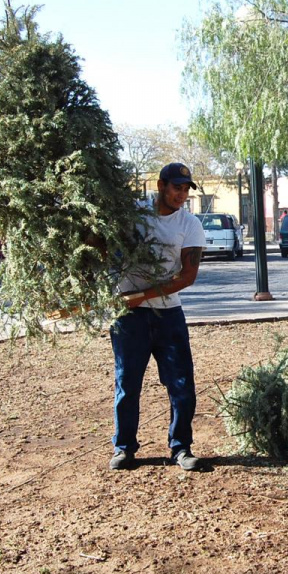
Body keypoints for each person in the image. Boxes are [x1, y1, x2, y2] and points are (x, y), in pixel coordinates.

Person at [109, 162, 207, 471]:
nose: (181, 194)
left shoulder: (189, 224)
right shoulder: (132, 214)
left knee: (181, 383)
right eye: (176, 187)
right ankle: (124, 448)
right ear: (161, 185)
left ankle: (181, 447)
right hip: (129, 318)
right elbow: (102, 241)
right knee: (127, 383)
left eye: (185, 189)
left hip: (168, 314)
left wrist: (141, 296)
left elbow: (187, 276)